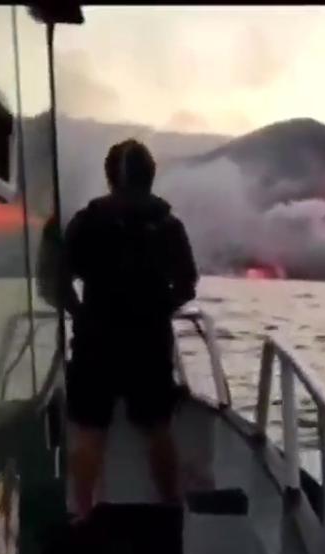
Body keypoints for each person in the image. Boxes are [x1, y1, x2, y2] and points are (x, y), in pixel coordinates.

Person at [54, 139, 199, 519]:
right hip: (148, 344)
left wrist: (81, 312)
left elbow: (56, 281)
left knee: (89, 432)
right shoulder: (168, 226)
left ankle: (82, 516)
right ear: (151, 176)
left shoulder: (86, 223)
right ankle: (171, 510)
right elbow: (187, 285)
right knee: (158, 429)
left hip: (94, 342)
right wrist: (157, 310)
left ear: (109, 177)